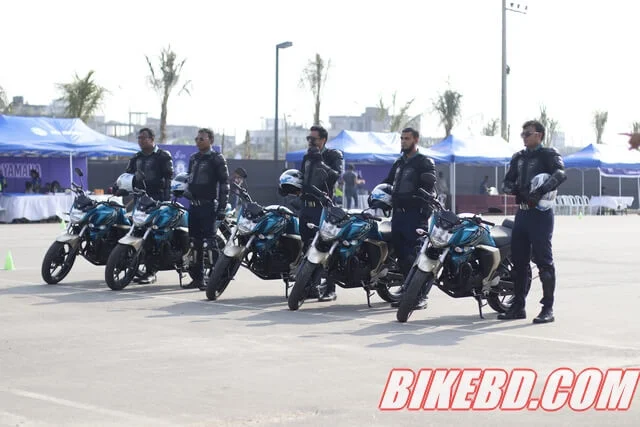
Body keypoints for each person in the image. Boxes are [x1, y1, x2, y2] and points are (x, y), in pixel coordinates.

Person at [499, 120, 567, 323]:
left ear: (539, 135)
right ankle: (518, 307)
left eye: (527, 134)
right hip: (522, 214)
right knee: (518, 263)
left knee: (544, 262)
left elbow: (561, 174)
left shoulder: (549, 154)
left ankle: (548, 309)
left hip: (541, 215)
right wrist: (516, 190)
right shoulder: (518, 157)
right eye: (523, 134)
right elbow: (506, 182)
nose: (524, 137)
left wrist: (540, 191)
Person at [384, 128, 437, 310]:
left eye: (407, 138)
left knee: (415, 256)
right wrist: (378, 196)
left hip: (414, 216)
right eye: (402, 138)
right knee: (401, 255)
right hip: (398, 215)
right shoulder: (399, 162)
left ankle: (421, 295)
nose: (403, 141)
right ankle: (408, 292)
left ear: (416, 140)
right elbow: (387, 182)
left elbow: (429, 187)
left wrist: (423, 212)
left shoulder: (424, 162)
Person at [122, 127, 174, 284]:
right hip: (139, 201)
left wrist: (165, 200)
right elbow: (127, 176)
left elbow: (168, 178)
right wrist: (119, 187)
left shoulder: (163, 156)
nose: (140, 140)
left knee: (151, 236)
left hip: (157, 201)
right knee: (135, 232)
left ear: (152, 139)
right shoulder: (136, 157)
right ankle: (133, 266)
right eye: (139, 138)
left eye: (144, 138)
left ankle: (151, 272)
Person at [299, 125, 343, 302]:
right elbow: (302, 178)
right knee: (307, 246)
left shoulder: (333, 155)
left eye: (313, 139)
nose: (310, 142)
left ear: (323, 140)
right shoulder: (307, 157)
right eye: (308, 138)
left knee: (326, 248)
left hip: (323, 208)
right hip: (306, 208)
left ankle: (330, 288)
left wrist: (320, 162)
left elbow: (335, 176)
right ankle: (310, 285)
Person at [184, 128, 230, 290]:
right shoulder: (194, 158)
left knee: (210, 243)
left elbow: (224, 184)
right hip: (193, 207)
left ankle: (215, 279)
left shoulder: (217, 158)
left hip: (208, 206)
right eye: (196, 139)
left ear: (210, 140)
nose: (198, 141)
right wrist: (186, 190)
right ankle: (197, 278)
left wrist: (222, 208)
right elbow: (189, 179)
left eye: (201, 139)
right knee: (194, 243)